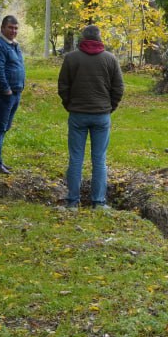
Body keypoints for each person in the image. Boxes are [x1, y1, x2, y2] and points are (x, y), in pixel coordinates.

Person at [57, 24, 124, 209]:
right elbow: (118, 88)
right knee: (99, 159)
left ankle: (72, 201)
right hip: (101, 115)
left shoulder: (71, 58)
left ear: (83, 38)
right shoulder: (110, 59)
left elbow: (63, 86)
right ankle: (98, 202)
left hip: (77, 114)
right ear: (99, 38)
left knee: (76, 158)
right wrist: (110, 107)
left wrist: (69, 104)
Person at [0, 15, 25, 174]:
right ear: (2, 28)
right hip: (3, 94)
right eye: (10, 28)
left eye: (16, 28)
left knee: (4, 127)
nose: (13, 31)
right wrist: (6, 89)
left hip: (15, 92)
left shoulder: (14, 45)